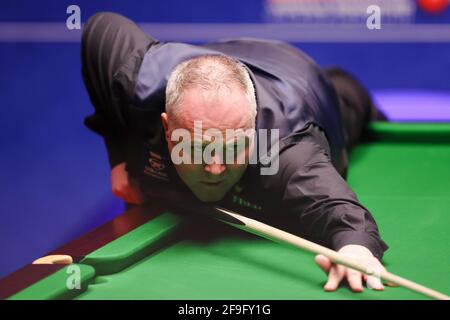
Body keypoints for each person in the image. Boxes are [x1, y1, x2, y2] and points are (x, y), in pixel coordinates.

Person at [81, 12, 389, 293]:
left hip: (300, 79)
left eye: (232, 148)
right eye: (199, 149)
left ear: (253, 130)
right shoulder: (137, 79)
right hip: (216, 62)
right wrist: (118, 154)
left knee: (346, 100)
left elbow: (341, 213)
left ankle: (350, 91)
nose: (215, 169)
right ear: (166, 127)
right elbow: (100, 28)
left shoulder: (279, 151)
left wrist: (355, 249)